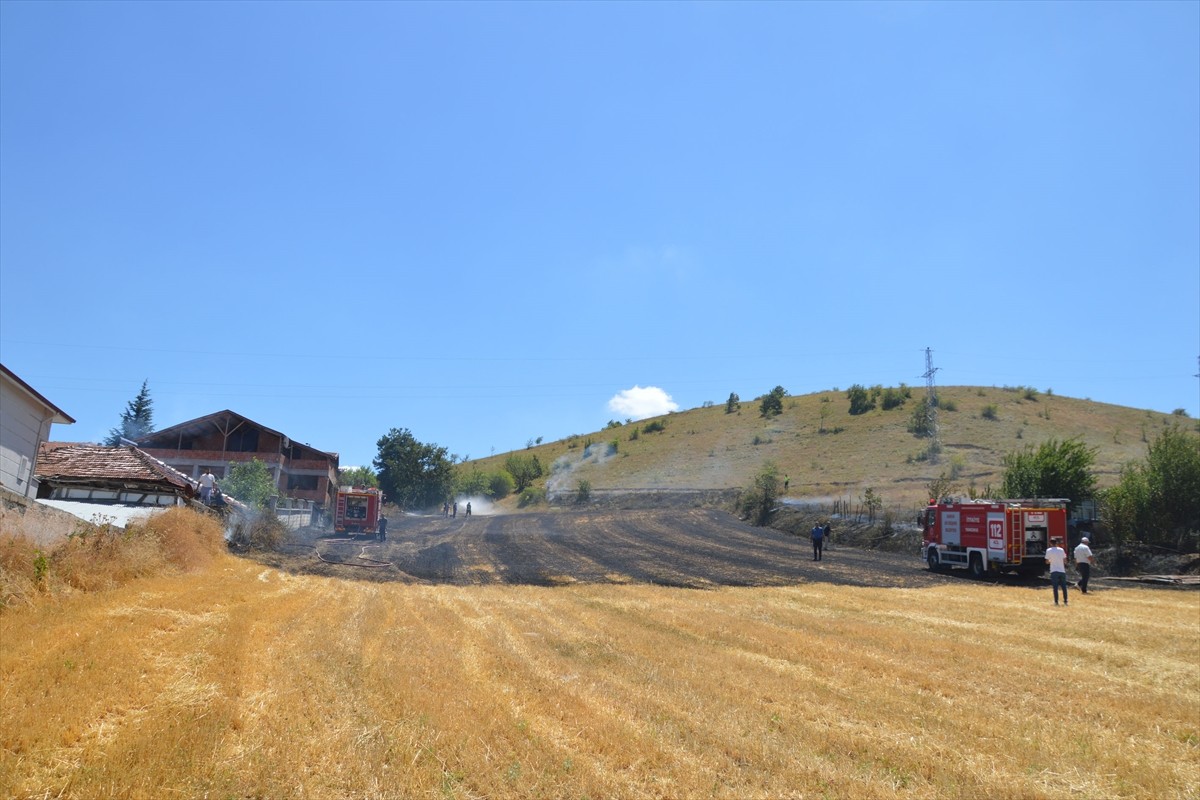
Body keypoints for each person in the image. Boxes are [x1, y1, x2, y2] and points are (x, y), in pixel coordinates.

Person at [1046, 536, 1069, 606]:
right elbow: (1065, 560)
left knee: (1055, 587)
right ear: (1056, 543)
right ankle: (1065, 600)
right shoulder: (1061, 550)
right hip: (1062, 570)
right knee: (1064, 587)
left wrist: (1050, 561)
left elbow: (1047, 561)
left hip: (1054, 570)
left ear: (1050, 543)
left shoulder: (1049, 550)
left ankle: (1056, 601)